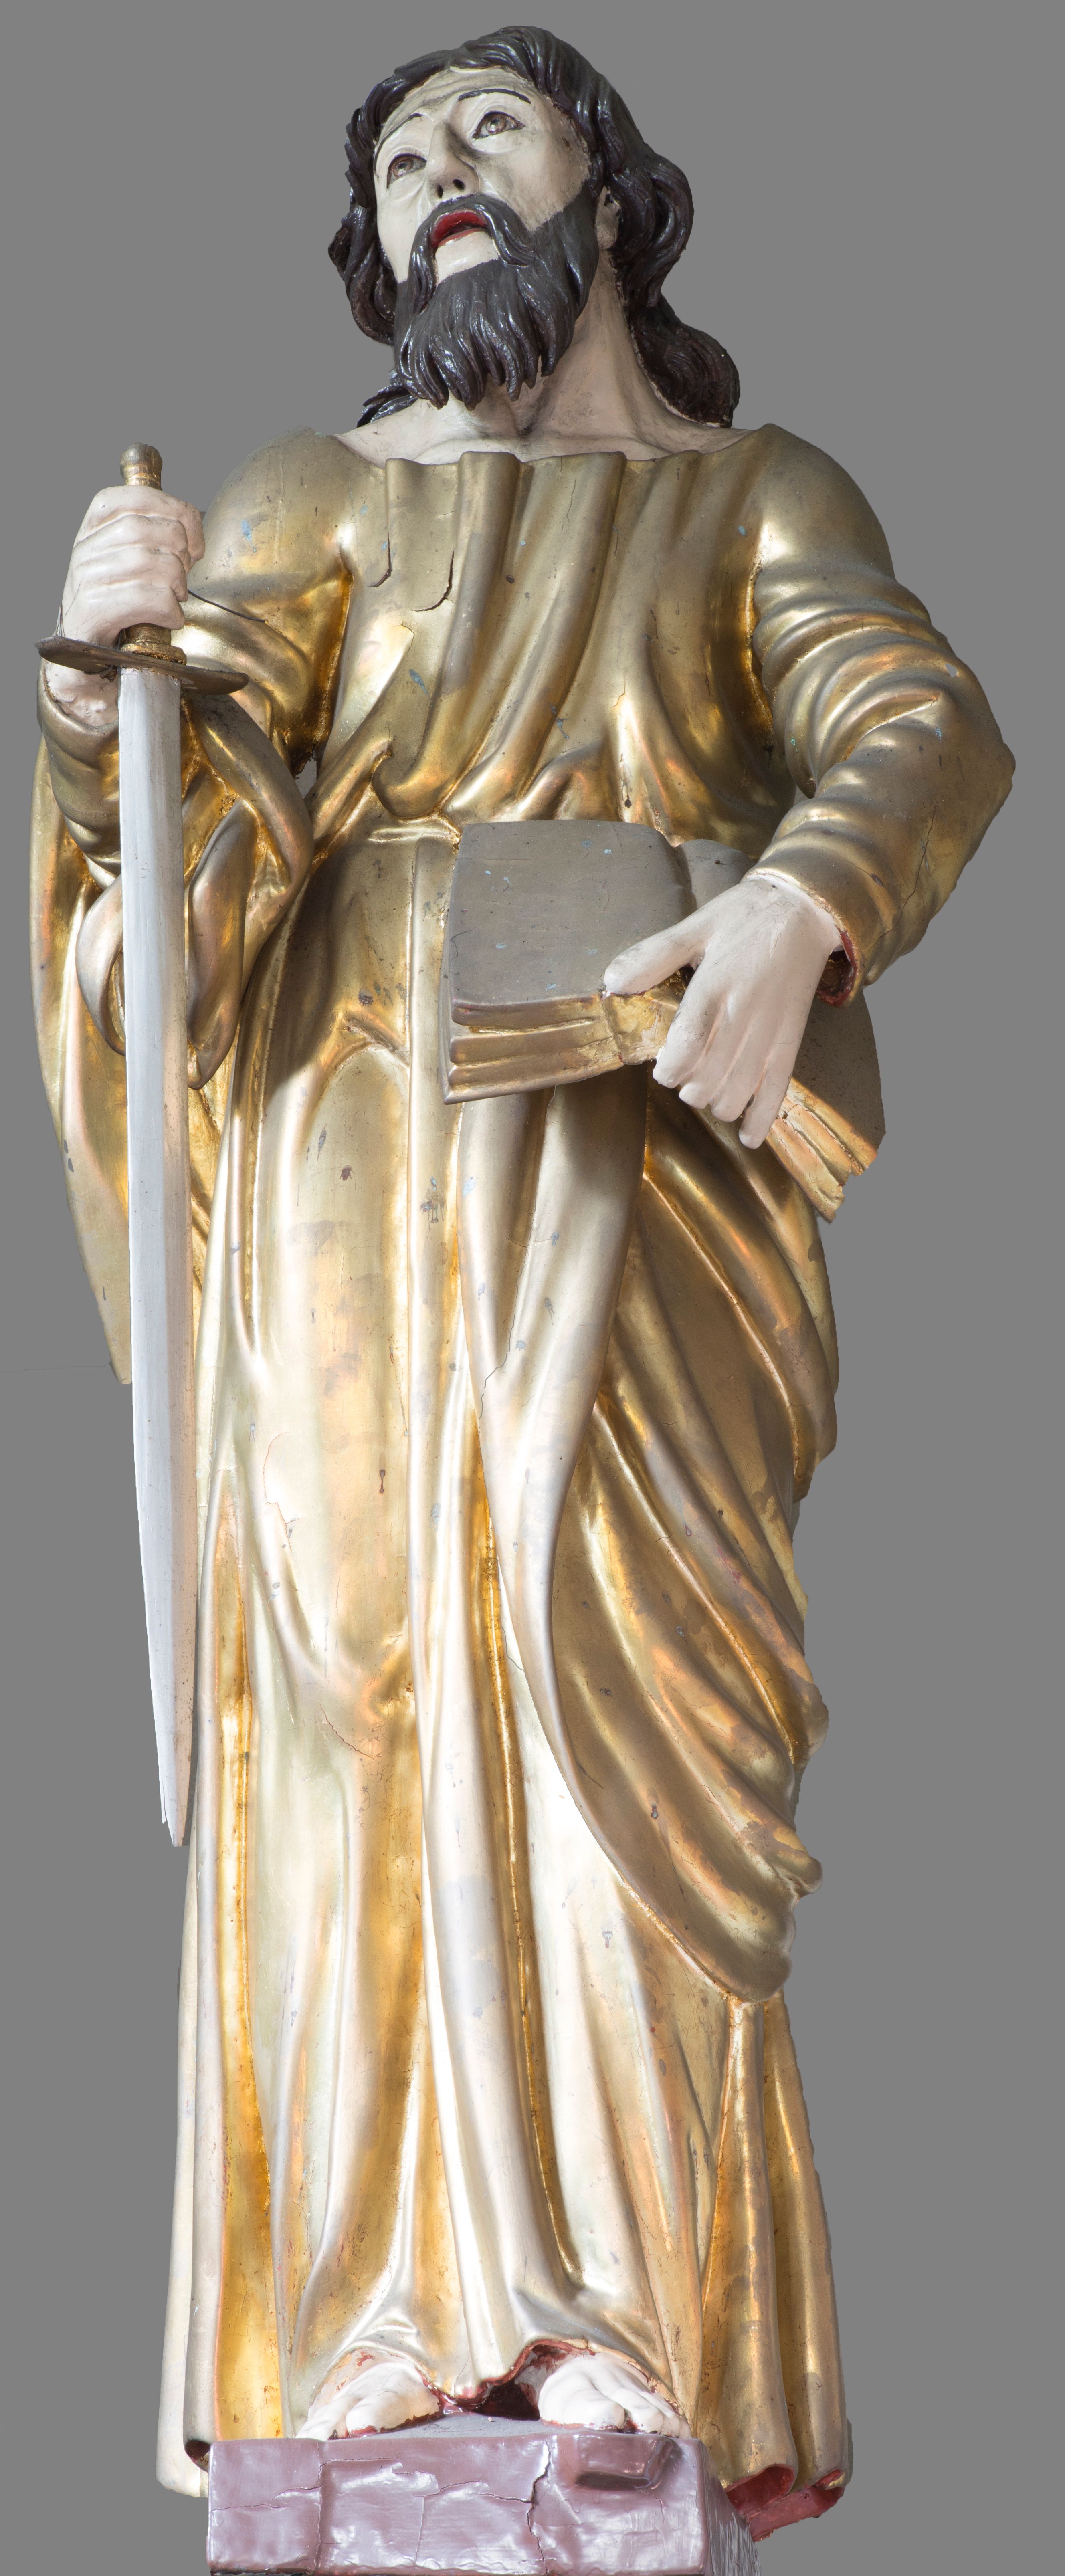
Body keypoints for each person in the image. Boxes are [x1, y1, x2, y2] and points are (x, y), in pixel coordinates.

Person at [31, 25, 1012, 2544]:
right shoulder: (310, 492)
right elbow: (185, 848)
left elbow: (909, 717)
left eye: (491, 129)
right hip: (346, 1145)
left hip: (628, 1131)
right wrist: (100, 684)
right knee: (355, 1681)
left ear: (615, 192)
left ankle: (619, 2318)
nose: (440, 177)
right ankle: (376, 2321)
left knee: (616, 1705)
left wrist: (797, 904)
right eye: (397, 161)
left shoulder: (748, 493)